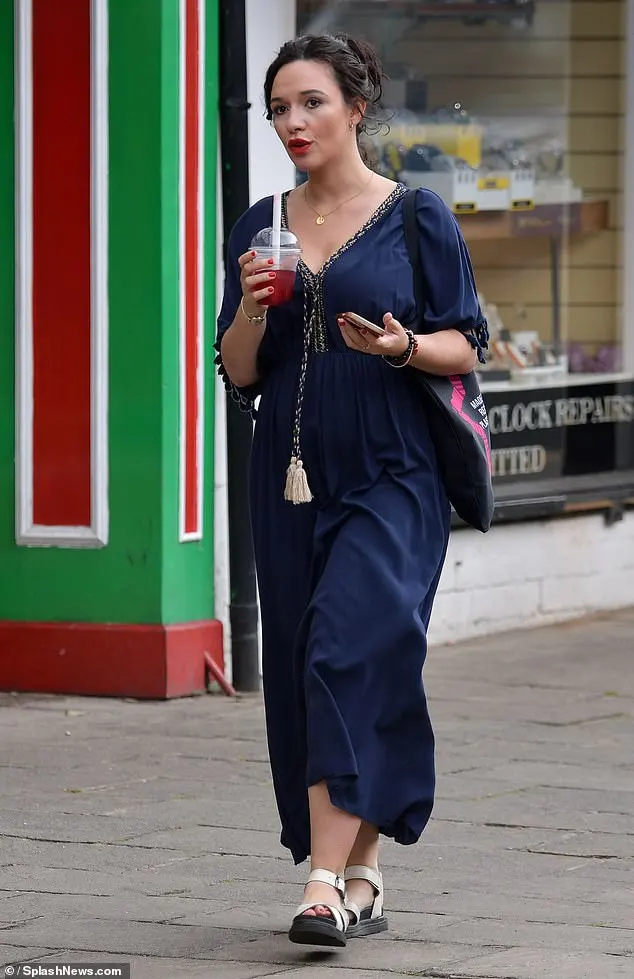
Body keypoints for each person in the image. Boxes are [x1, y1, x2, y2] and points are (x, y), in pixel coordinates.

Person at [215, 33, 488, 949]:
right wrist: (254, 303)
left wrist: (402, 346)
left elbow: (465, 344)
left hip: (393, 472)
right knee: (319, 667)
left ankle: (323, 885)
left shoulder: (417, 218)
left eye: (310, 103)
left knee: (344, 645)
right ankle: (366, 874)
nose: (293, 122)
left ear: (356, 105)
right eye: (278, 109)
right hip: (289, 477)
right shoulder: (262, 223)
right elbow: (240, 371)